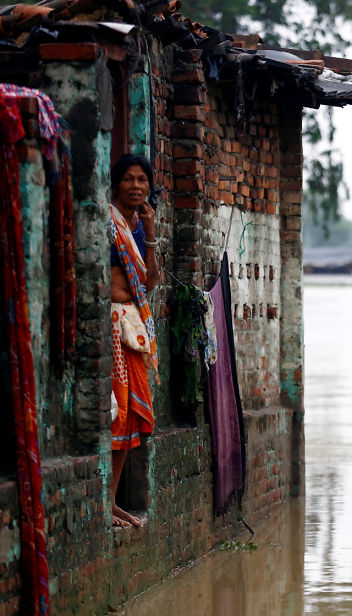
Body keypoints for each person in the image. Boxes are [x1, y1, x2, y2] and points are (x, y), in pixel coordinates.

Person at [108, 154, 159, 528]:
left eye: (142, 180)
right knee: (115, 414)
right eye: (129, 179)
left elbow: (150, 282)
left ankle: (110, 501)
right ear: (116, 183)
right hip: (111, 325)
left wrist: (152, 234)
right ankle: (104, 501)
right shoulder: (106, 223)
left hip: (133, 328)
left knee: (130, 419)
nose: (136, 186)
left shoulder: (138, 227)